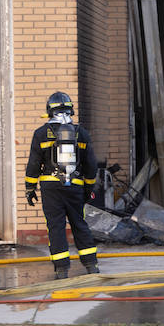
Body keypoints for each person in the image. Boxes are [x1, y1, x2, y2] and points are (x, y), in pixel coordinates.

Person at [24, 92, 101, 279]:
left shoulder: (40, 133)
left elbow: (34, 164)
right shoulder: (80, 133)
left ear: (49, 111)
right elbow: (91, 165)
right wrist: (89, 187)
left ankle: (61, 270)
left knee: (56, 227)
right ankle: (91, 266)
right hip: (75, 186)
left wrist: (30, 188)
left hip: (50, 188)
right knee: (79, 224)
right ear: (71, 109)